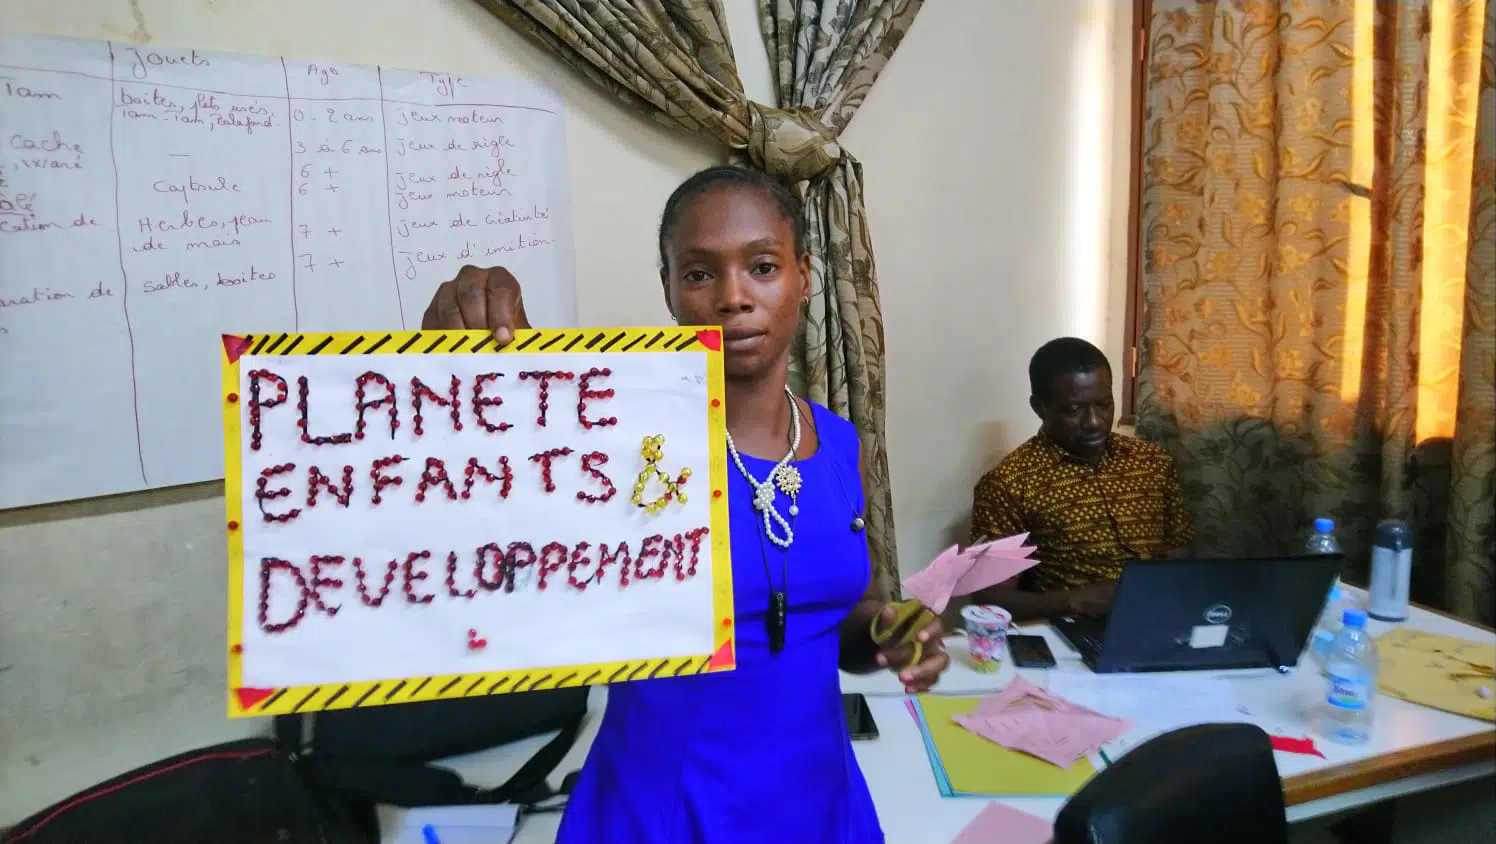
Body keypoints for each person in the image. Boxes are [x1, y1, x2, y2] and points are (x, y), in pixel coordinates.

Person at [421, 165, 948, 843]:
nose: (734, 297)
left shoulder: (838, 441)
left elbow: (839, 621)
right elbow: (497, 521)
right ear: (668, 288)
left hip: (820, 802)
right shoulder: (614, 448)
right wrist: (480, 360)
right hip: (667, 812)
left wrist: (891, 631)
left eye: (762, 266)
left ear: (805, 274)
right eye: (698, 274)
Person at [968, 337, 1192, 621]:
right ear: (1039, 407)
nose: (1095, 421)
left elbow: (1178, 553)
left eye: (1104, 404)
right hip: (1071, 635)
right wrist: (1074, 602)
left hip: (1162, 622)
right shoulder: (1010, 483)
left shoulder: (1151, 462)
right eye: (1075, 410)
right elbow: (990, 597)